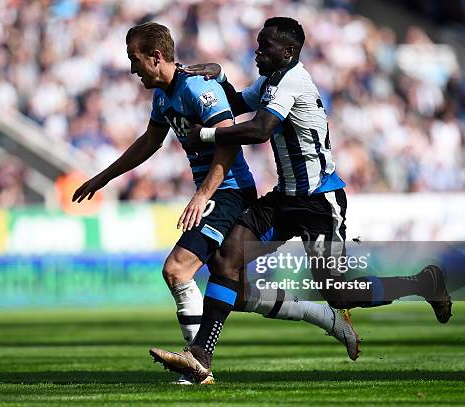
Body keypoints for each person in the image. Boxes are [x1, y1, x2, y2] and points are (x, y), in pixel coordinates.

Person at [149, 17, 452, 383]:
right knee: (227, 258)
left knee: (338, 294)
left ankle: (423, 283)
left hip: (319, 202)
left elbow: (260, 130)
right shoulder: (270, 81)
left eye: (265, 47)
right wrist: (220, 76)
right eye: (258, 45)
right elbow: (237, 102)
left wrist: (208, 134)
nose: (257, 52)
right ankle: (201, 353)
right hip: (285, 199)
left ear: (288, 52)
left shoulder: (294, 82)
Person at [73, 22, 362, 383]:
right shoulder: (163, 95)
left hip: (229, 191)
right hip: (232, 193)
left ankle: (196, 362)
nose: (132, 68)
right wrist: (103, 177)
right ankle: (324, 318)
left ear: (156, 56)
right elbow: (150, 141)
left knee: (178, 269)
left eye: (135, 60)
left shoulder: (198, 88)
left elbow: (233, 141)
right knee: (232, 291)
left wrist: (202, 194)